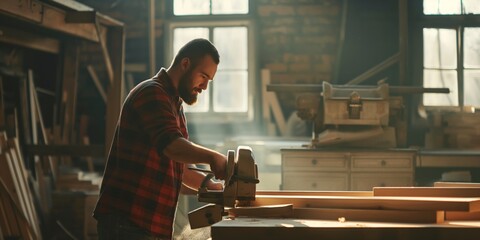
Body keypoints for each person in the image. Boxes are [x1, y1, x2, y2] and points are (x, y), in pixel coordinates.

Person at [93, 38, 227, 240]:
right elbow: (172, 146)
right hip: (128, 224)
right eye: (203, 76)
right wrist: (214, 158)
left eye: (209, 80)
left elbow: (178, 167)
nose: (204, 87)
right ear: (185, 64)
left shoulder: (174, 103)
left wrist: (210, 186)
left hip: (146, 226)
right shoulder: (152, 93)